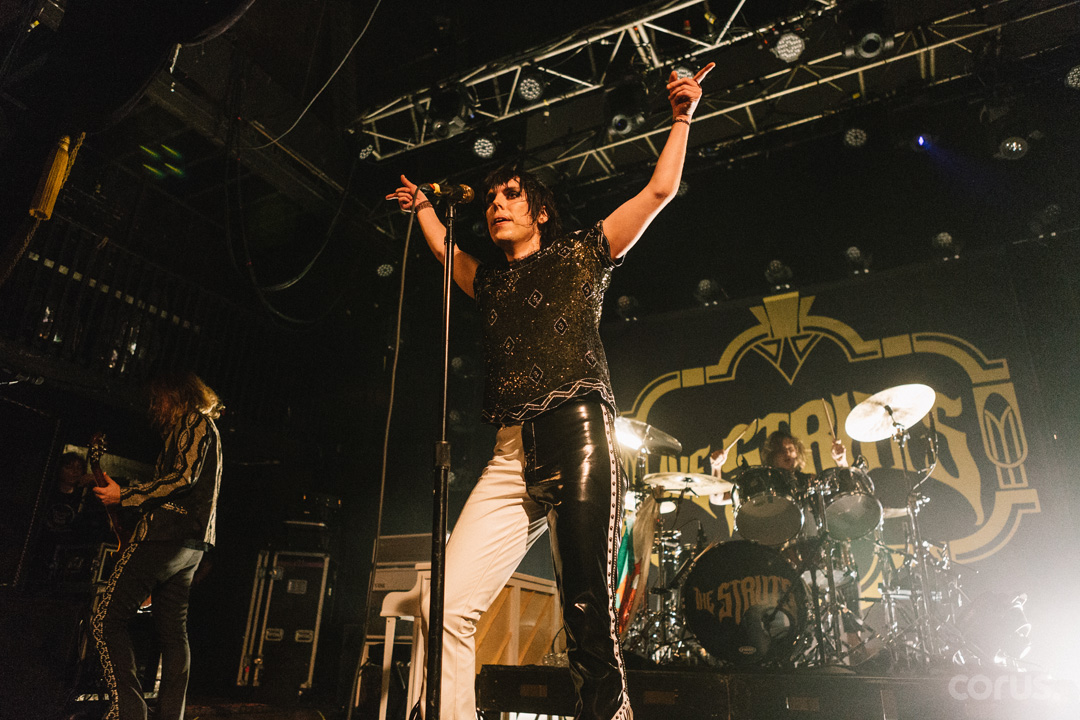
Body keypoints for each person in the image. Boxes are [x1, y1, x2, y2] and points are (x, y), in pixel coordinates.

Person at [386, 63, 714, 720]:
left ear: (538, 210)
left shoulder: (579, 256)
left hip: (578, 436)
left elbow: (657, 192)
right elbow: (447, 254)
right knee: (442, 604)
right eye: (490, 199)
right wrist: (425, 208)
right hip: (513, 452)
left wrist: (681, 118)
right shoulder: (490, 285)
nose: (496, 203)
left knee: (587, 608)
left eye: (510, 194)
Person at [90, 371, 223, 720]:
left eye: (159, 399)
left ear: (174, 395)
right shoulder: (201, 428)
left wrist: (127, 495)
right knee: (172, 633)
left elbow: (183, 477)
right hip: (191, 544)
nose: (155, 407)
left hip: (166, 537)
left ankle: (130, 712)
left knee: (106, 618)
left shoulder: (194, 421)